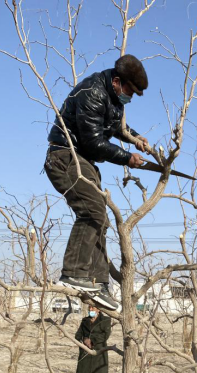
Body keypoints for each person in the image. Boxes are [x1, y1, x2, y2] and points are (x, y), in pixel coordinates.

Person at [45, 54, 151, 312]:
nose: (131, 98)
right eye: (130, 92)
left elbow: (114, 125)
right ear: (117, 82)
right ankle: (73, 273)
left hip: (83, 160)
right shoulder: (93, 92)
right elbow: (94, 142)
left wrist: (134, 137)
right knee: (92, 209)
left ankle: (98, 281)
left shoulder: (113, 98)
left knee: (100, 219)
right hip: (64, 155)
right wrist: (127, 158)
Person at [75, 305, 112, 373]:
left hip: (98, 353)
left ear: (99, 309)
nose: (91, 310)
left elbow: (105, 336)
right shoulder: (85, 320)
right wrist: (84, 340)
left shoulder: (105, 320)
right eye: (90, 308)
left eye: (93, 308)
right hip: (86, 353)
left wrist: (93, 341)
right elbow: (78, 334)